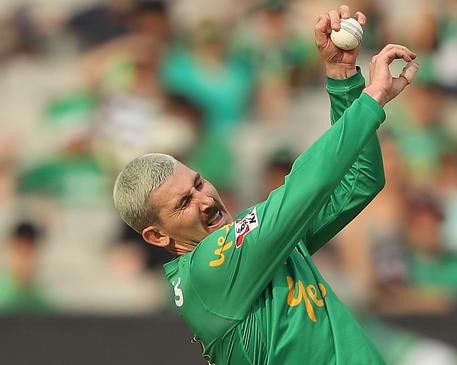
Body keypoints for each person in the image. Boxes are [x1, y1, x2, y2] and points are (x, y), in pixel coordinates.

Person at [112, 5, 419, 365]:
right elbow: (306, 184)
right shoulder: (208, 270)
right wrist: (371, 100)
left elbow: (360, 181)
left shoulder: (261, 249)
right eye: (183, 203)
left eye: (198, 183)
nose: (205, 200)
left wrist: (342, 78)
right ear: (157, 237)